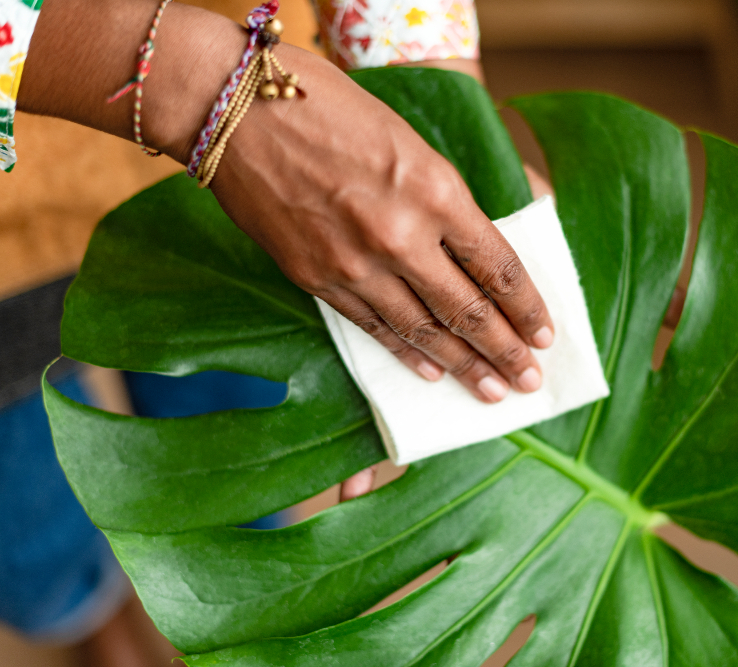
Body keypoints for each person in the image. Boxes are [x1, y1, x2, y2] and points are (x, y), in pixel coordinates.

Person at [0, 0, 556, 663]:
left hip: (276, 156)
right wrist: (205, 86)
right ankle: (86, 614)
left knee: (237, 446)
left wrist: (430, 97)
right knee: (27, 525)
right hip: (20, 211)